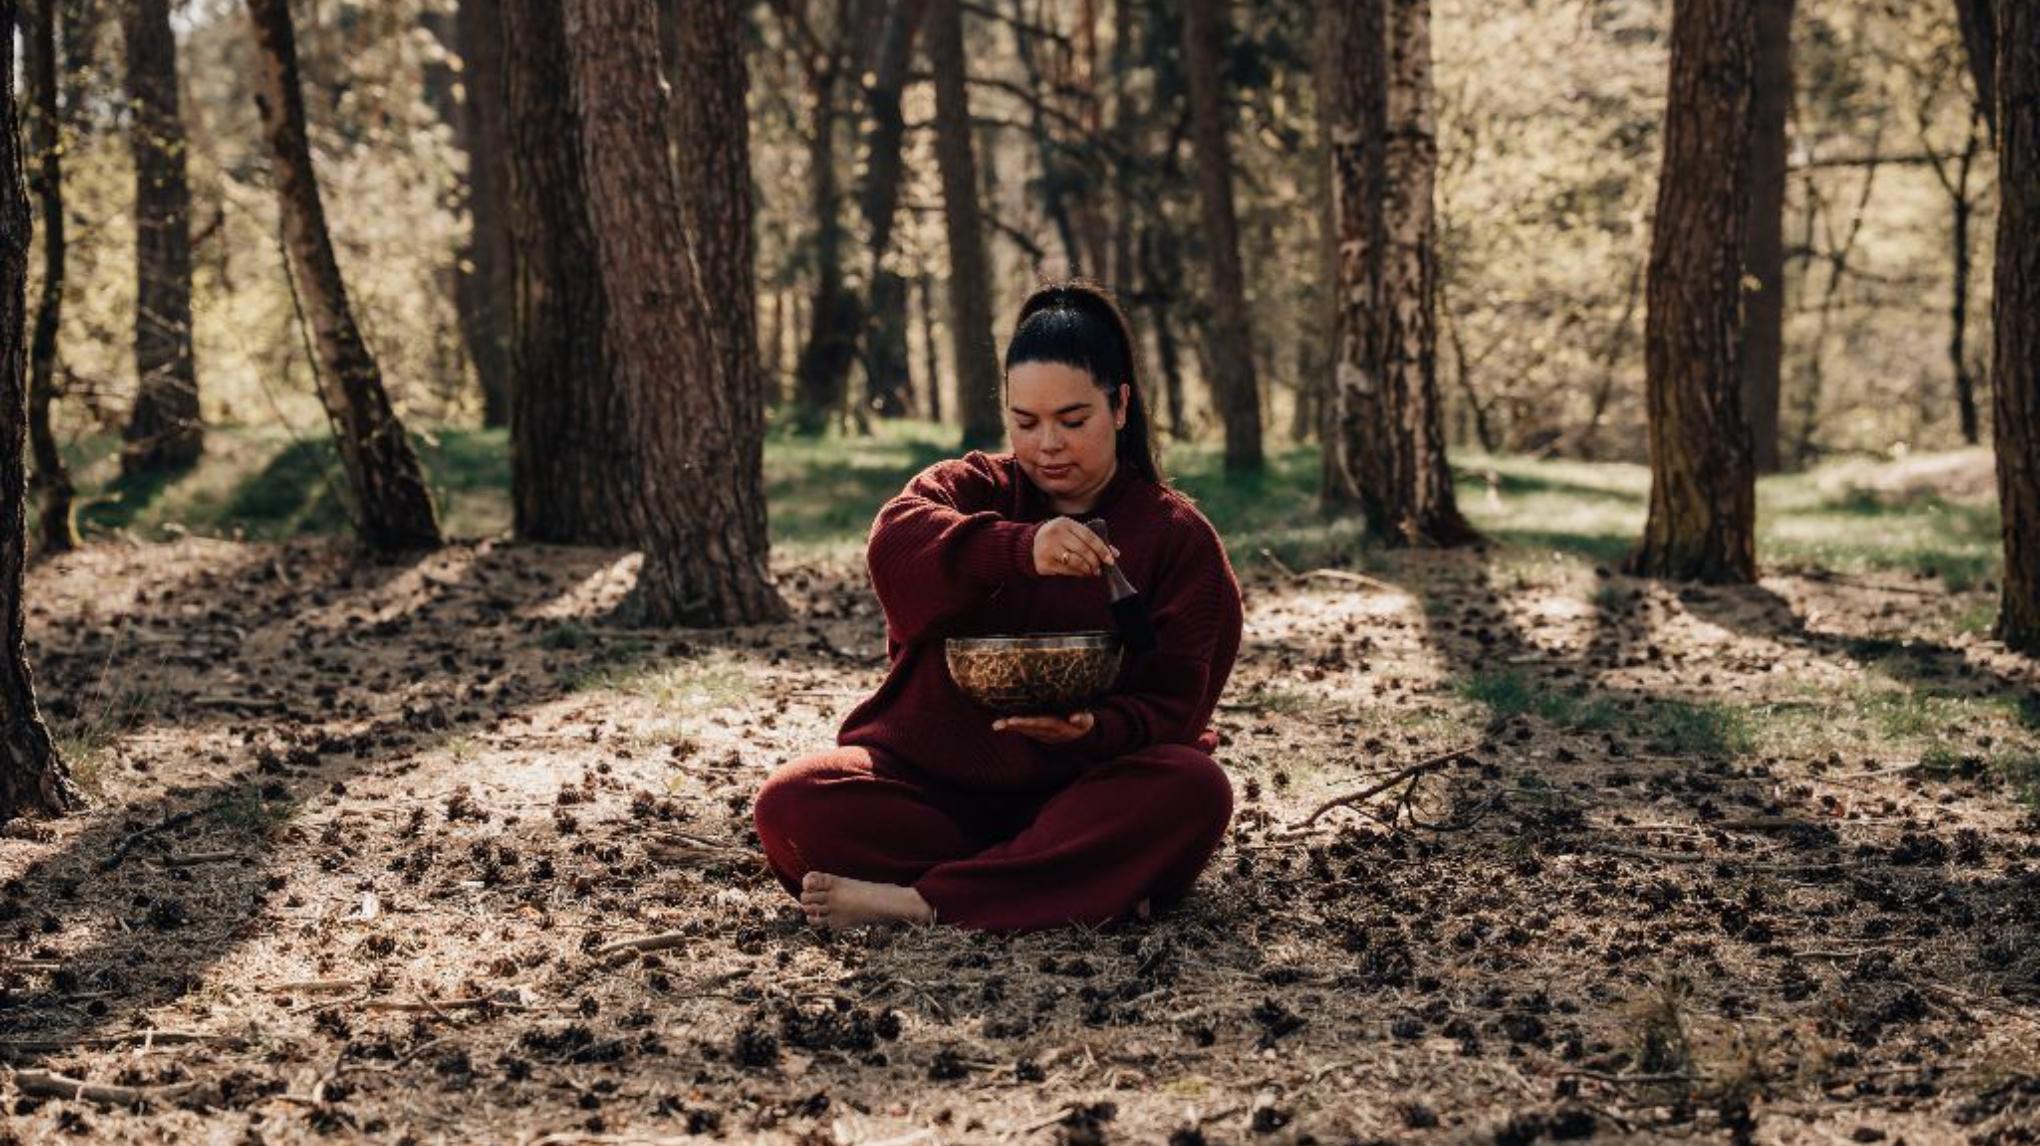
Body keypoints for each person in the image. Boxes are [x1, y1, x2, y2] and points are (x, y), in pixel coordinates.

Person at [752, 280, 1244, 932]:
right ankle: (1056, 883)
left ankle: (930, 903)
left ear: (1121, 406)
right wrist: (1018, 548)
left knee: (1194, 791)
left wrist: (1093, 730)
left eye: (1073, 421)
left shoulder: (1176, 538)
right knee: (792, 804)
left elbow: (1177, 704)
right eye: (1025, 422)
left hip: (1083, 797)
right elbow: (895, 543)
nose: (1047, 445)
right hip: (937, 794)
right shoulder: (975, 488)